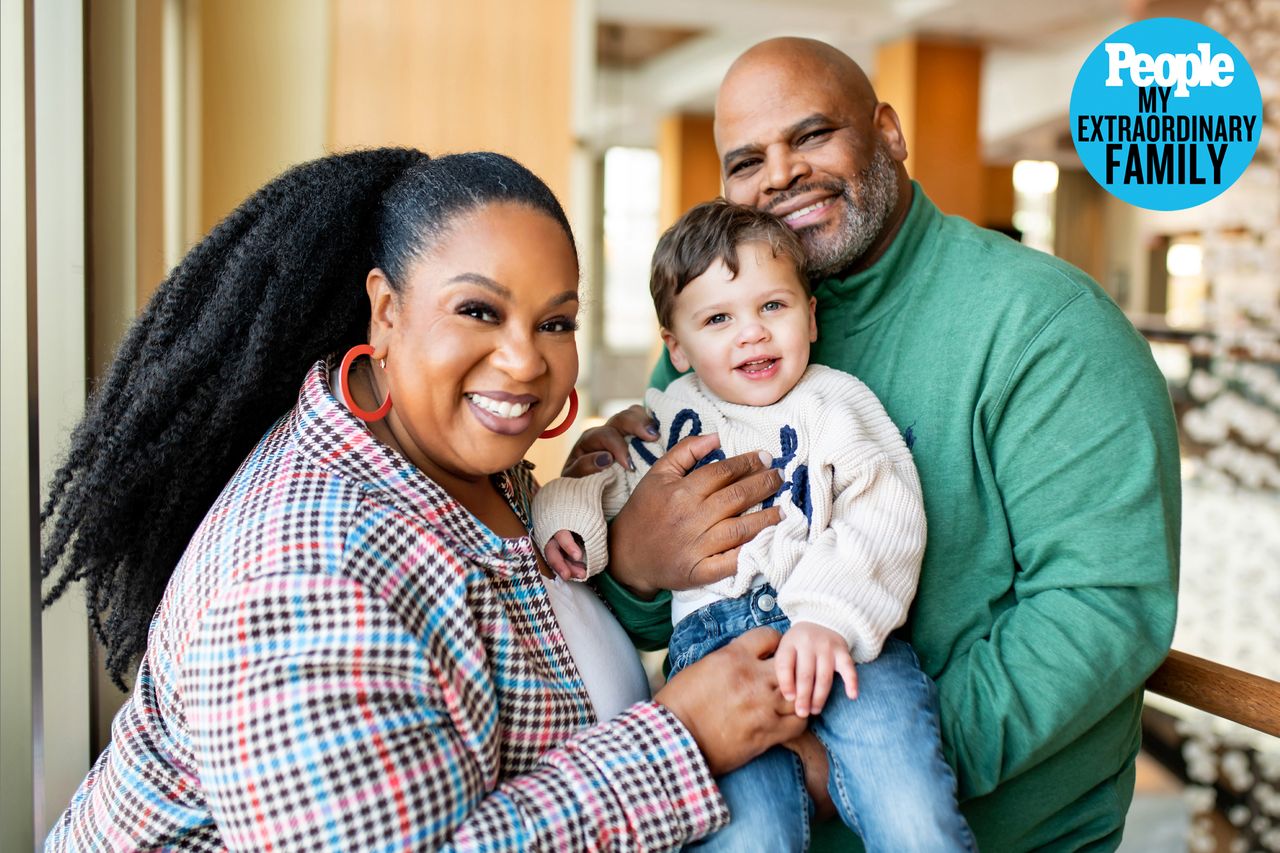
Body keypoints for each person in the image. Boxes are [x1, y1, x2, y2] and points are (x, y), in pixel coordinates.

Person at [41, 149, 810, 851]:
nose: (525, 360)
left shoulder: (453, 458)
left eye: (554, 322)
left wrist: (616, 548)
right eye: (478, 310)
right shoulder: (301, 576)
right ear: (385, 310)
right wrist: (683, 736)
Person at [567, 38, 1181, 851]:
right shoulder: (716, 343)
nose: (781, 174)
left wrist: (860, 768)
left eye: (812, 135)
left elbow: (1101, 608)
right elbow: (649, 614)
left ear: (888, 132)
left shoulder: (1045, 325)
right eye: (747, 160)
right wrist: (636, 563)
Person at [533, 199, 973, 851]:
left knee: (911, 806)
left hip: (844, 636)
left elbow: (885, 510)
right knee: (748, 834)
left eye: (773, 306)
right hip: (714, 658)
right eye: (718, 318)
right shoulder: (663, 419)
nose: (753, 334)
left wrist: (829, 616)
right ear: (676, 346)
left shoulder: (836, 403)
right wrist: (566, 523)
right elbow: (592, 482)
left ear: (810, 316)